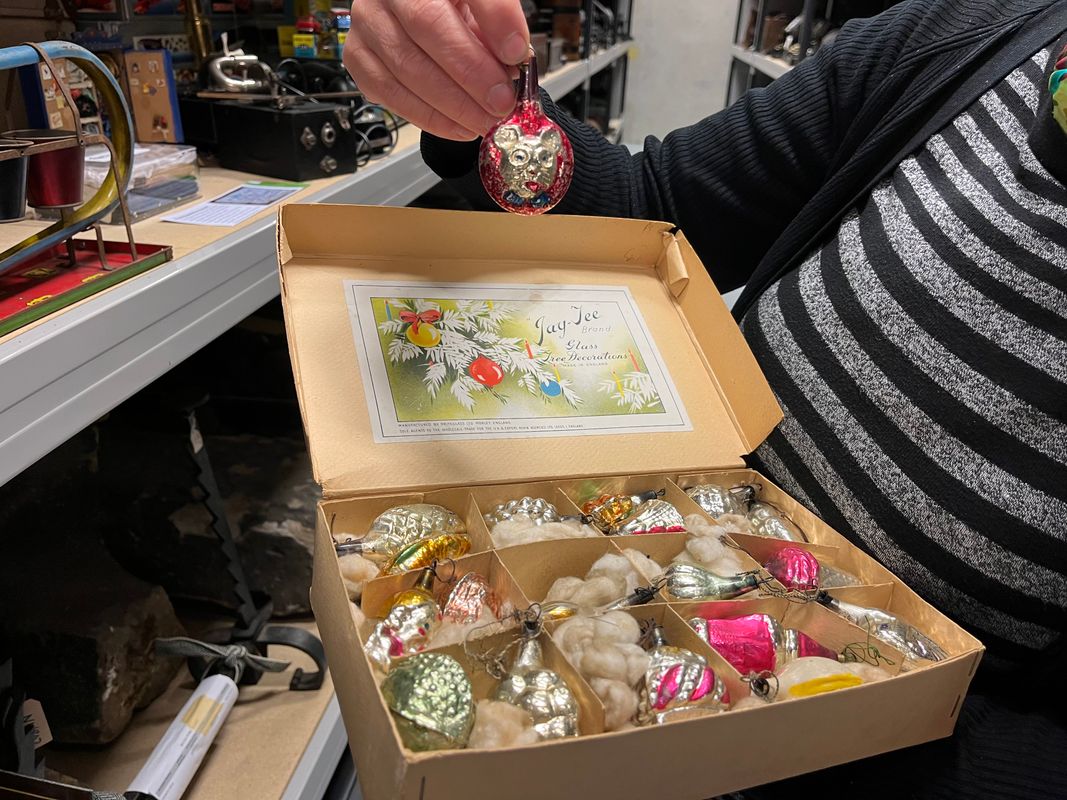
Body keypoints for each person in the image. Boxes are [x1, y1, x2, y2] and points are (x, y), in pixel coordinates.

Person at [344, 0, 1067, 795]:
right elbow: (654, 205)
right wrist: (478, 97)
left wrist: (861, 730)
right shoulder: (967, 36)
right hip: (672, 544)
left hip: (900, 742)